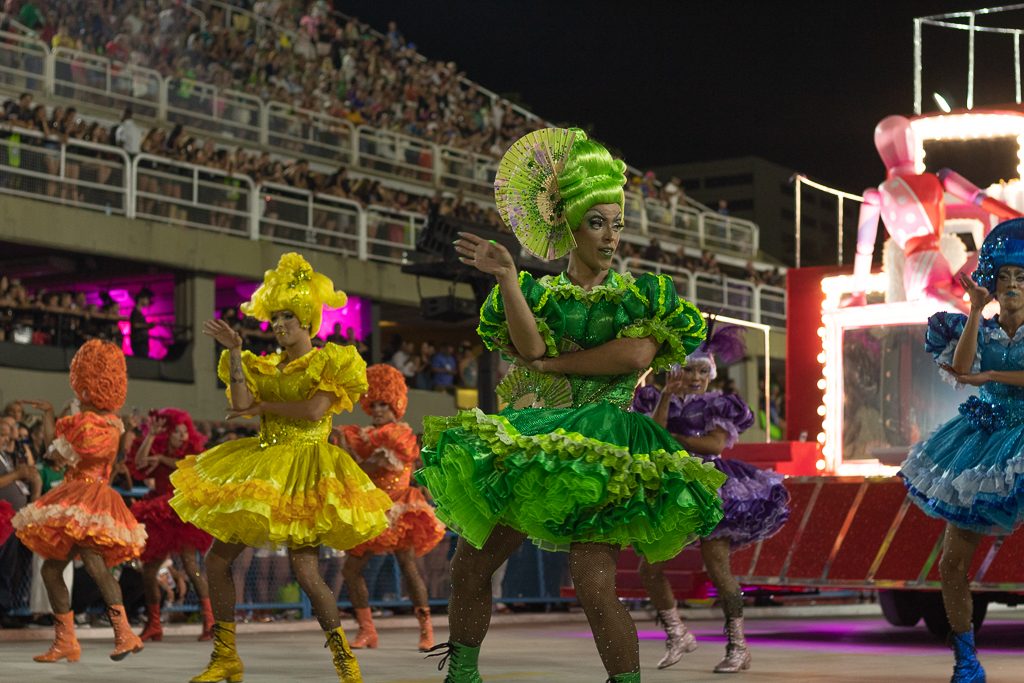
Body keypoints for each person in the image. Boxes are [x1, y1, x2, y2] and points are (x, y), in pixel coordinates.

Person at [415, 128, 725, 683]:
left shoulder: (642, 294)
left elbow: (632, 356)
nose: (611, 237)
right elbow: (527, 346)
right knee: (470, 566)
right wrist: (509, 278)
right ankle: (461, 675)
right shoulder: (539, 294)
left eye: (617, 223)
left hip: (605, 442)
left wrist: (553, 368)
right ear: (570, 226)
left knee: (593, 579)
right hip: (539, 439)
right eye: (598, 222)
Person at [168, 252, 392, 683]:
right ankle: (226, 656)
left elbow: (313, 411)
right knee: (216, 562)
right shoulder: (264, 365)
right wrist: (235, 352)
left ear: (307, 318)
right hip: (264, 465)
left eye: (287, 315)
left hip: (307, 467)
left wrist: (264, 405)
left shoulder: (330, 361)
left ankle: (346, 661)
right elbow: (238, 405)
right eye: (275, 316)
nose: (279, 323)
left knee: (306, 572)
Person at [899, 218, 1024, 683]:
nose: (1011, 284)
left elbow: (980, 374)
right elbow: (961, 365)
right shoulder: (983, 327)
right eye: (1005, 276)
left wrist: (991, 378)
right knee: (952, 562)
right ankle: (967, 661)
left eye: (1021, 277)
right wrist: (974, 312)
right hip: (981, 442)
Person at [631, 324, 790, 672]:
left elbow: (715, 445)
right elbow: (651, 437)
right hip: (673, 488)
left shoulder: (719, 404)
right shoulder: (657, 399)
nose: (696, 377)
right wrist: (666, 398)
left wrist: (672, 439)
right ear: (674, 370)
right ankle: (678, 634)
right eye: (688, 369)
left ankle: (738, 647)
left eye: (703, 370)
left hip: (711, 487)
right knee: (649, 567)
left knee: (718, 567)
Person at [12, 340, 147, 663]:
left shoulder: (89, 423)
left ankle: (125, 633)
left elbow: (56, 454)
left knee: (94, 565)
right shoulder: (111, 423)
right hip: (84, 495)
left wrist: (54, 420)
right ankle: (67, 641)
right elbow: (59, 452)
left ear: (86, 384)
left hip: (86, 499)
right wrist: (51, 416)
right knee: (52, 571)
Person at [338, 364, 446, 651]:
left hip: (400, 508)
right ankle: (367, 631)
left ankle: (426, 631)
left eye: (383, 404)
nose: (377, 409)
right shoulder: (361, 435)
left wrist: (346, 451)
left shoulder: (399, 436)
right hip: (371, 509)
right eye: (373, 404)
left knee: (408, 565)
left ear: (395, 405)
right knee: (350, 570)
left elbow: (364, 467)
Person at [128, 408, 216, 643]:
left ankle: (210, 621)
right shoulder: (157, 447)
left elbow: (188, 465)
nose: (182, 436)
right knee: (148, 571)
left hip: (181, 510)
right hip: (159, 513)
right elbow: (138, 464)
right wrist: (149, 438)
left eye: (184, 431)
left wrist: (162, 459)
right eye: (177, 432)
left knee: (190, 564)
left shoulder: (192, 450)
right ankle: (154, 623)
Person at [130, 288, 154, 359]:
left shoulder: (139, 313)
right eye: (147, 299)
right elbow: (135, 325)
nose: (148, 301)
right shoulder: (135, 312)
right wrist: (147, 325)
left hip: (141, 341)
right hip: (139, 342)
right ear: (140, 299)